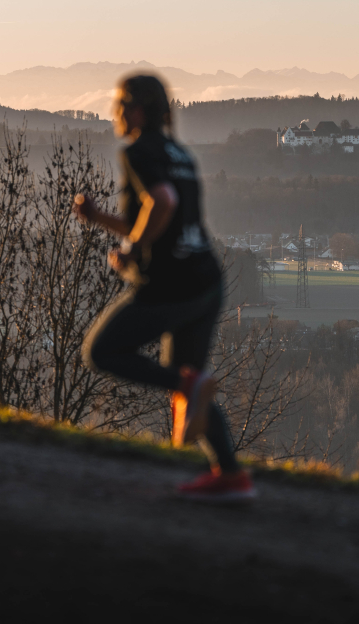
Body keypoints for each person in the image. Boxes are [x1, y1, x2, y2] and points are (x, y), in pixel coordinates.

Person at [75, 73, 255, 503]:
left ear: (136, 110)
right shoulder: (180, 153)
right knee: (186, 380)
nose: (114, 112)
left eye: (119, 103)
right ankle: (230, 474)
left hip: (170, 285)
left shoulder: (138, 151)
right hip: (205, 282)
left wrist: (133, 250)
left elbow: (163, 203)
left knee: (100, 352)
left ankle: (221, 457)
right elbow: (161, 215)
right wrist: (101, 219)